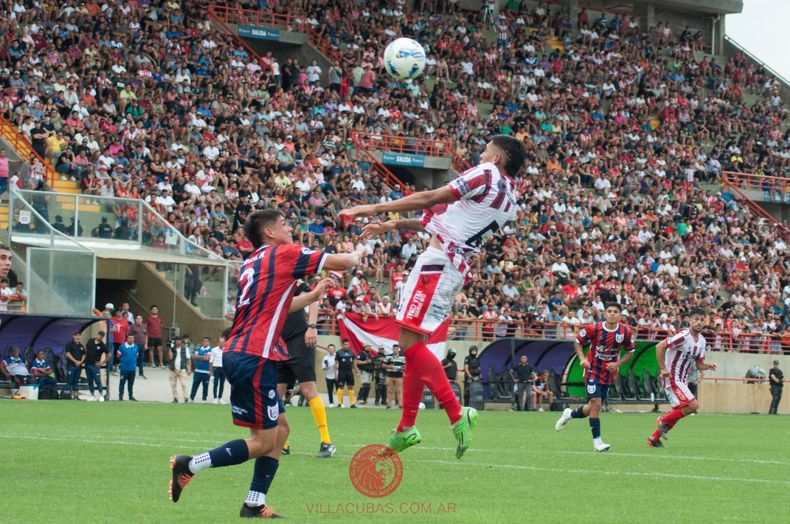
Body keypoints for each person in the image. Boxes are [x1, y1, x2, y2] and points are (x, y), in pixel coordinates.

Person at [342, 135, 527, 458]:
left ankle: (457, 413)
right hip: (453, 268)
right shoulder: (509, 196)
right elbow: (438, 218)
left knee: (409, 343)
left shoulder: (485, 173)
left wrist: (373, 207)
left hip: (438, 264)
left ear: (498, 157)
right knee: (413, 344)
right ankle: (406, 427)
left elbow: (429, 197)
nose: (480, 153)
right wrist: (390, 224)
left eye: (486, 150)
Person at [168, 209, 358, 518]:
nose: (290, 227)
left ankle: (254, 502)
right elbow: (345, 263)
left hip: (245, 353)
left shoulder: (252, 263)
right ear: (269, 232)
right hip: (255, 355)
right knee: (263, 441)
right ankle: (190, 464)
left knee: (281, 430)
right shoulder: (282, 254)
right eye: (284, 223)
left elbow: (278, 308)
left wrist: (313, 295)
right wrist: (357, 247)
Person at [555, 304, 635, 452]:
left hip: (609, 373)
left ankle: (569, 414)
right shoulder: (595, 328)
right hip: (592, 370)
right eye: (609, 311)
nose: (612, 314)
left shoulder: (625, 331)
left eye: (615, 312)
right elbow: (578, 341)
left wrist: (617, 363)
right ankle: (597, 442)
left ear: (620, 316)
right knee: (596, 404)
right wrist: (582, 359)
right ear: (605, 314)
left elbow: (630, 352)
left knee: (592, 407)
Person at [276, 278, 336, 458]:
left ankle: (327, 441)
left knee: (308, 390)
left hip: (300, 340)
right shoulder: (269, 283)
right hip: (279, 343)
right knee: (276, 393)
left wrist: (312, 326)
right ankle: (282, 443)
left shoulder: (294, 280)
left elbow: (314, 298)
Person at [646, 308, 718, 447]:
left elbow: (699, 364)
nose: (699, 322)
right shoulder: (683, 336)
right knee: (693, 406)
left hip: (682, 379)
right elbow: (660, 347)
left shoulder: (702, 341)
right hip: (672, 378)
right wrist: (663, 369)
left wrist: (708, 366)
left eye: (702, 320)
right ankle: (663, 419)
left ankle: (653, 438)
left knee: (680, 411)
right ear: (690, 320)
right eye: (696, 319)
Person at [84, 331, 108, 401]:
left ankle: (101, 395)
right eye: (99, 336)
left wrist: (102, 362)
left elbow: (109, 355)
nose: (99, 337)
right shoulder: (91, 340)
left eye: (101, 337)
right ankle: (92, 396)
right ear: (97, 335)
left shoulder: (103, 345)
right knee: (89, 380)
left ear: (102, 337)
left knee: (97, 380)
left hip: (95, 365)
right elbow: (86, 348)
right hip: (88, 364)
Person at [334, 338, 357, 408]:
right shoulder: (339, 352)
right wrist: (336, 374)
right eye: (345, 344)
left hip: (349, 372)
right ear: (342, 345)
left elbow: (354, 361)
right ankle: (339, 403)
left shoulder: (351, 352)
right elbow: (336, 363)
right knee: (341, 387)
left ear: (349, 345)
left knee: (351, 387)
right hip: (342, 372)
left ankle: (352, 404)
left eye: (347, 344)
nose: (346, 345)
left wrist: (355, 369)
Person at [168, 336, 192, 403]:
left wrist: (189, 368)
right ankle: (175, 398)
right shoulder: (172, 349)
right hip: (173, 369)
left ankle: (186, 398)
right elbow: (170, 358)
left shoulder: (185, 349)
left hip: (182, 369)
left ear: (181, 341)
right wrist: (170, 349)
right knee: (173, 385)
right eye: (176, 340)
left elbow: (188, 359)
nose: (178, 341)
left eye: (179, 340)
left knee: (184, 384)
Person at [117, 334, 139, 401]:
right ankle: (120, 396)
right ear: (127, 339)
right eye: (129, 338)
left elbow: (136, 356)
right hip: (124, 368)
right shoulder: (122, 346)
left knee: (131, 383)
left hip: (132, 368)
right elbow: (118, 356)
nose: (131, 340)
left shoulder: (136, 346)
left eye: (132, 338)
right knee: (122, 383)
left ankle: (130, 396)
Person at [190, 337, 212, 403]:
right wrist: (202, 356)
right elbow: (194, 356)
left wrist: (198, 356)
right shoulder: (199, 349)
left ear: (209, 343)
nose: (205, 342)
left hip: (206, 371)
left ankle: (204, 399)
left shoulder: (210, 350)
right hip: (197, 371)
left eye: (207, 341)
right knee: (194, 385)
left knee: (205, 386)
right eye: (204, 341)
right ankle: (191, 398)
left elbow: (207, 359)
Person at [64, 332, 86, 399]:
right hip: (71, 365)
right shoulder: (69, 345)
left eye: (79, 335)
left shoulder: (81, 346)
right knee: (70, 380)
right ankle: (67, 395)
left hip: (78, 366)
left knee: (76, 380)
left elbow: (84, 355)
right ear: (73, 336)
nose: (78, 337)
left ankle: (76, 395)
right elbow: (67, 354)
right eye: (76, 335)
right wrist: (75, 361)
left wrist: (80, 362)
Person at [128, 315, 148, 379]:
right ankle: (132, 373)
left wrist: (146, 344)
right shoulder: (132, 326)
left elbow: (146, 335)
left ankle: (141, 373)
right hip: (135, 345)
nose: (139, 320)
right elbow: (129, 335)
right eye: (138, 318)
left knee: (141, 359)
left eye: (140, 318)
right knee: (133, 359)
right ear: (135, 320)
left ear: (142, 319)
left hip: (142, 344)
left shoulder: (144, 326)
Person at [210, 335, 226, 404]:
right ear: (218, 343)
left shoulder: (226, 350)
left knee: (222, 384)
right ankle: (215, 398)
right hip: (216, 368)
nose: (221, 344)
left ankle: (220, 397)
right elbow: (211, 361)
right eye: (220, 342)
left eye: (222, 342)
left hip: (223, 369)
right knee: (215, 383)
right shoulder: (214, 350)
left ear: (225, 343)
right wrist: (211, 372)